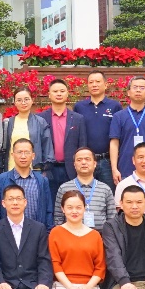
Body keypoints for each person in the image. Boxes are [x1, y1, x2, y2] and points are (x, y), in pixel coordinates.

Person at [38, 79, 87, 209]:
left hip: (70, 169)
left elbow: (82, 145)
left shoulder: (77, 118)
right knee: (49, 205)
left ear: (67, 94)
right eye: (55, 91)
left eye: (62, 91)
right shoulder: (41, 118)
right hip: (49, 169)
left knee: (71, 204)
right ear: (49, 95)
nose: (59, 94)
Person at [108, 77, 145, 185]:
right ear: (128, 92)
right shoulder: (119, 116)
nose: (138, 90)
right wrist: (114, 169)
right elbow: (114, 143)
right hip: (125, 170)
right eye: (135, 87)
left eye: (142, 88)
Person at [0, 88, 53, 196]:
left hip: (34, 172)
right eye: (19, 100)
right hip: (11, 172)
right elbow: (2, 150)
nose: (23, 103)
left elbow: (47, 149)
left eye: (26, 99)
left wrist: (44, 172)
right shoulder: (7, 123)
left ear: (32, 100)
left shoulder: (40, 122)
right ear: (14, 102)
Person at [74, 71, 123, 188]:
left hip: (107, 161)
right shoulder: (79, 107)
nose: (94, 85)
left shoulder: (115, 106)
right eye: (91, 82)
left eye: (98, 82)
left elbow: (118, 135)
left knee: (107, 193)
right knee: (84, 193)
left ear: (105, 85)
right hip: (85, 161)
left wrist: (114, 166)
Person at [0, 138, 51, 229]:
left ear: (33, 155)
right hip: (8, 232)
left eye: (27, 152)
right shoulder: (1, 180)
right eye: (19, 152)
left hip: (36, 232)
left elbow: (48, 210)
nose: (23, 156)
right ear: (12, 155)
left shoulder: (42, 180)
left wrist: (47, 232)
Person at [53, 147, 116, 232]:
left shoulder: (105, 189)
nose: (83, 162)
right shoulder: (64, 188)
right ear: (74, 165)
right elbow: (58, 217)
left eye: (87, 159)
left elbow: (112, 218)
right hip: (71, 236)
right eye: (79, 160)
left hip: (100, 236)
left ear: (94, 163)